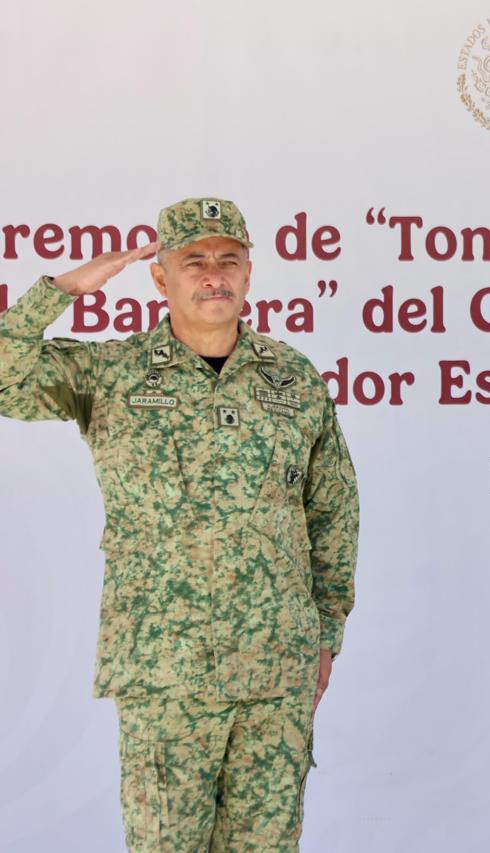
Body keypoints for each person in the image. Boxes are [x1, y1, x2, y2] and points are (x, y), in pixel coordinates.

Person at [0, 198, 359, 852]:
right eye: (194, 261)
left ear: (250, 274)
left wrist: (326, 630)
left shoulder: (294, 380)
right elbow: (5, 373)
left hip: (274, 669)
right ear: (161, 277)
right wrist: (62, 290)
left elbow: (331, 509)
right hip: (164, 672)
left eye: (229, 259)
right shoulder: (111, 373)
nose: (213, 274)